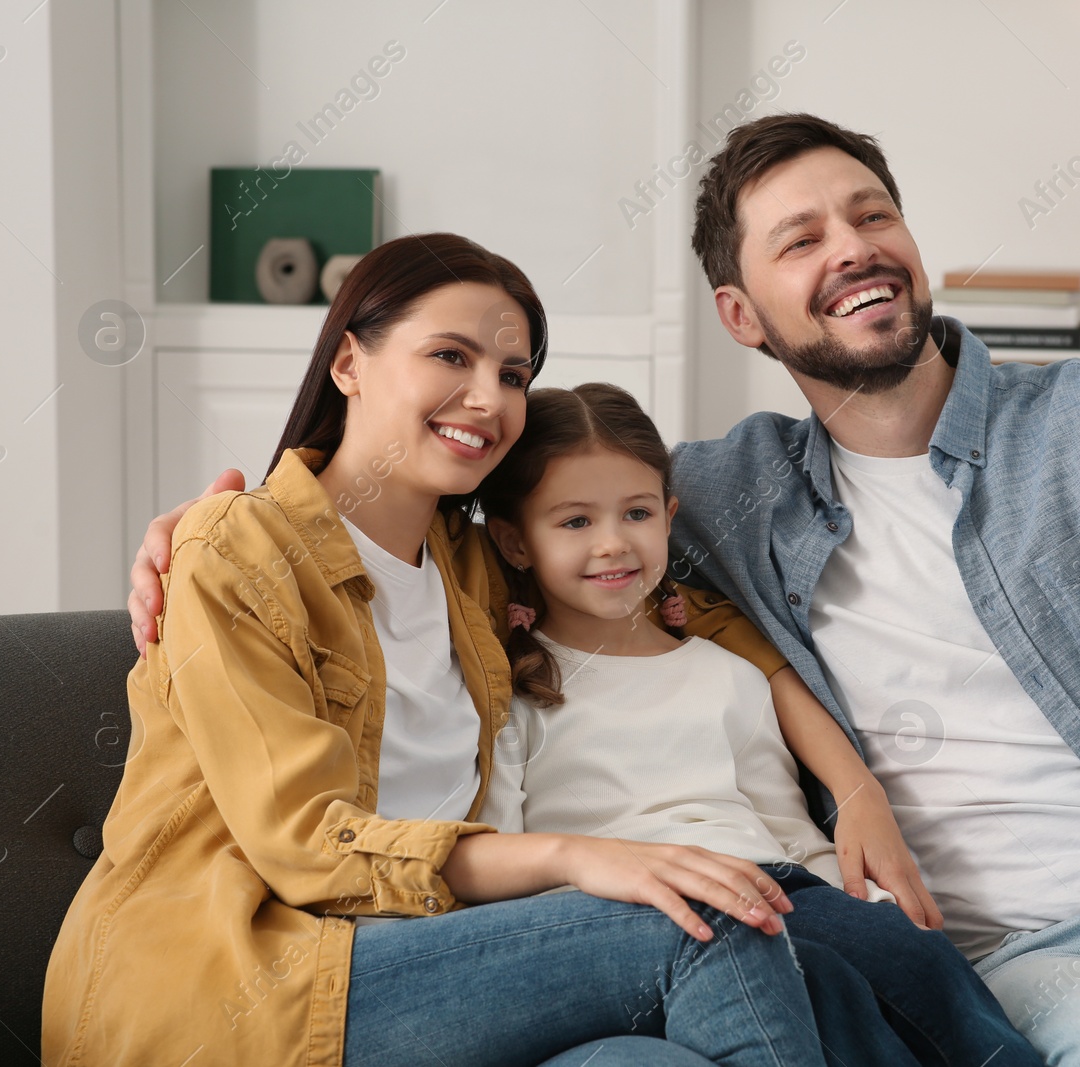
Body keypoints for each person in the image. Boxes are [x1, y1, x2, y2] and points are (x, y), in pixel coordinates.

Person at [128, 116, 1080, 1064]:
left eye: (871, 213)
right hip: (1041, 957)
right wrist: (213, 523)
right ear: (743, 313)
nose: (850, 245)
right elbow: (537, 532)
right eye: (799, 239)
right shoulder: (719, 492)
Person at [46, 233, 855, 1067]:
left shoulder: (472, 562)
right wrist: (576, 856)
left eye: (512, 375)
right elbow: (305, 842)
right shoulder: (241, 550)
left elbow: (644, 589)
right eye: (450, 356)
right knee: (707, 917)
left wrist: (852, 781)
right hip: (248, 984)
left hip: (436, 964)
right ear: (349, 363)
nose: (487, 398)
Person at [472, 382, 1042, 1067]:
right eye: (574, 522)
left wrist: (867, 900)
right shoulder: (516, 691)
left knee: (902, 952)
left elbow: (788, 829)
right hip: (630, 919)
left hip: (775, 887)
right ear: (514, 541)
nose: (614, 543)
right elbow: (500, 848)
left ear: (669, 514)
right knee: (821, 979)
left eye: (636, 512)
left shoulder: (727, 673)